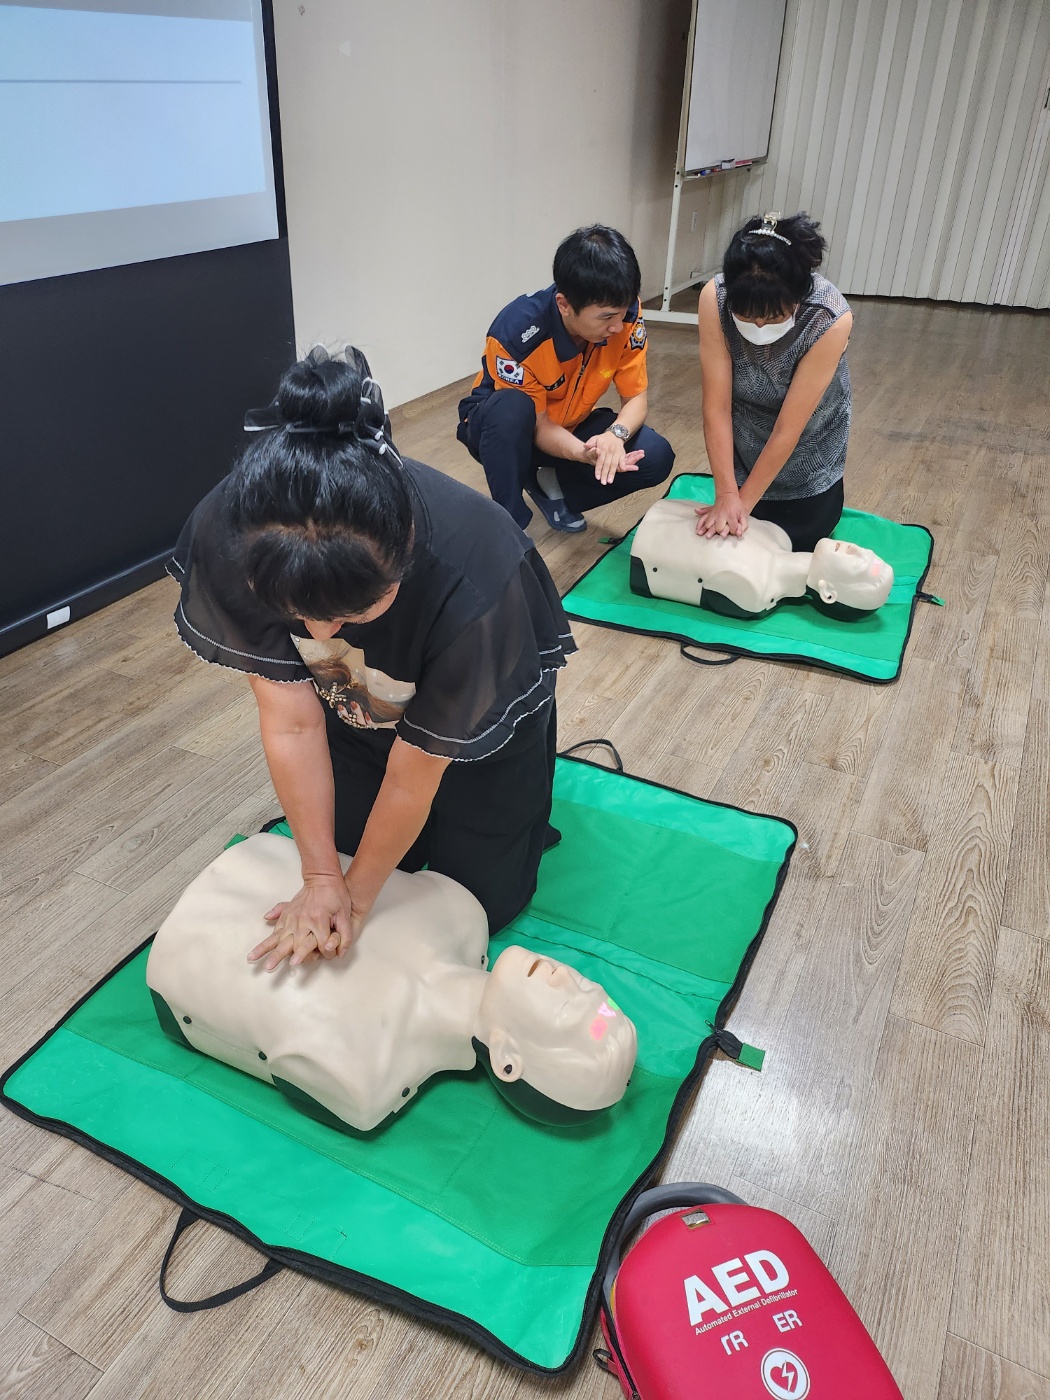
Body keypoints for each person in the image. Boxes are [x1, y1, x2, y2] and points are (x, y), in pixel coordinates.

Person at [168, 346, 576, 970]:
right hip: (358, 706)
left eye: (349, 615)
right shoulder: (240, 534)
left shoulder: (478, 572)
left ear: (403, 560)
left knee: (476, 905)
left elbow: (414, 776)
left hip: (476, 723)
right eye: (296, 612)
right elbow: (293, 721)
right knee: (351, 851)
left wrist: (355, 900)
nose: (317, 632)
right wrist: (321, 875)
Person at [147, 832, 637, 1131]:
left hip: (178, 953)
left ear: (508, 1060)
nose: (570, 978)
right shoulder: (463, 913)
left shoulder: (364, 1076)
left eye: (568, 1007)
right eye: (591, 990)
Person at [457, 225, 675, 533]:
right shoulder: (517, 333)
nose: (617, 326)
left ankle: (551, 484)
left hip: (570, 425)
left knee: (655, 456)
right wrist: (582, 453)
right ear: (564, 305)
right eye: (606, 317)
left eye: (622, 312)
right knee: (511, 409)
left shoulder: (625, 314)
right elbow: (538, 425)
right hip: (510, 432)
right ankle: (510, 527)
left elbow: (636, 398)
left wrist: (614, 436)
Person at [696, 211, 853, 553]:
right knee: (733, 541)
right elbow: (717, 407)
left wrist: (741, 507)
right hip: (745, 440)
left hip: (807, 450)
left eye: (773, 317)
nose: (759, 326)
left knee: (793, 541)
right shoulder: (715, 297)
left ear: (797, 297)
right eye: (746, 315)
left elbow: (788, 429)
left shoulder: (828, 317)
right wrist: (727, 494)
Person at [630, 498, 893, 619]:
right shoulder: (779, 537)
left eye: (857, 562)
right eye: (865, 551)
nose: (855, 548)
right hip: (665, 513)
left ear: (828, 593)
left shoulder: (753, 591)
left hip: (644, 549)